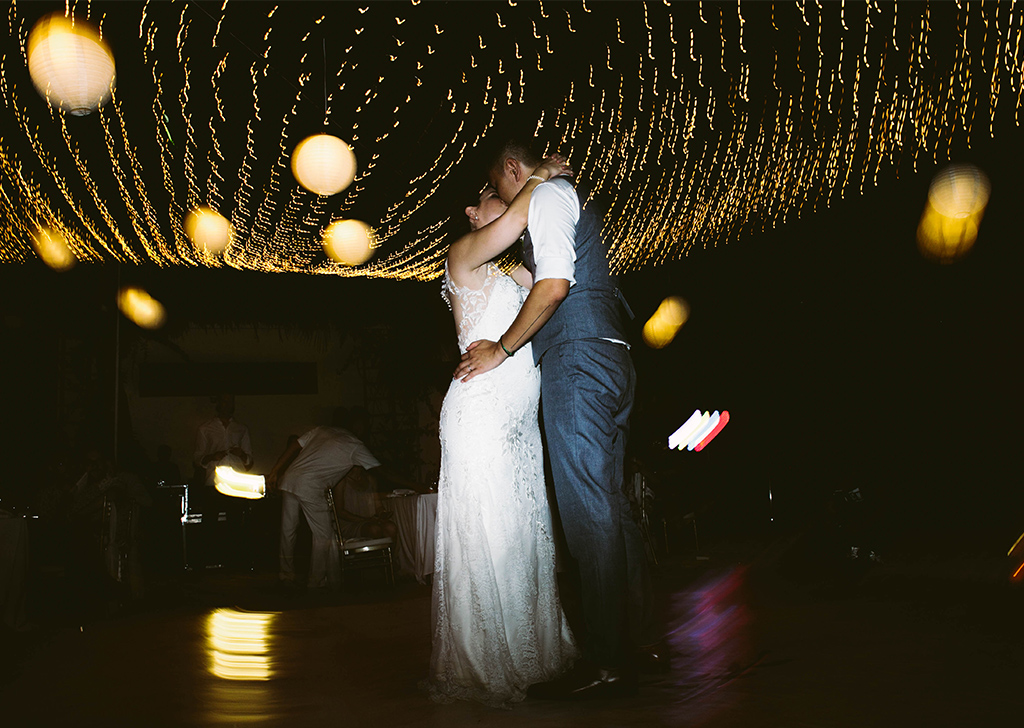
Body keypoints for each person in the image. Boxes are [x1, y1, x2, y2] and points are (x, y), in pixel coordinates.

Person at [456, 138, 654, 699]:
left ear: (512, 172)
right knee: (611, 508)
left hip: (578, 364)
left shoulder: (545, 198)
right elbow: (538, 273)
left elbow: (554, 286)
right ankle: (631, 644)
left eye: (498, 187)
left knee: (588, 515)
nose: (498, 199)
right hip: (610, 356)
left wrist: (503, 347)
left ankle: (608, 660)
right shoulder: (555, 206)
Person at [427, 154, 578, 707]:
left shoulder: (507, 270)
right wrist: (538, 176)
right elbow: (515, 220)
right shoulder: (462, 256)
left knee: (525, 527)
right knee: (490, 530)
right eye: (493, 191)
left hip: (517, 419)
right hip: (482, 414)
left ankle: (537, 649)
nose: (504, 194)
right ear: (474, 211)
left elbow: (546, 283)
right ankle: (490, 658)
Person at [266, 407, 418, 590]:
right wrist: (416, 486)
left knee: (288, 530)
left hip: (290, 478)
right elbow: (383, 472)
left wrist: (275, 471)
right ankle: (317, 582)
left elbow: (294, 446)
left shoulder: (324, 430)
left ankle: (286, 576)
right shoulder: (355, 445)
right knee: (324, 535)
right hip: (310, 485)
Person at [193, 394, 253, 486]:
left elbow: (249, 461)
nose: (227, 405)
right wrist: (213, 457)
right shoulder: (205, 429)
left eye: (230, 402)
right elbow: (197, 459)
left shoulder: (241, 429)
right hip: (214, 481)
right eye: (225, 401)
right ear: (218, 403)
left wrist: (241, 454)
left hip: (237, 482)